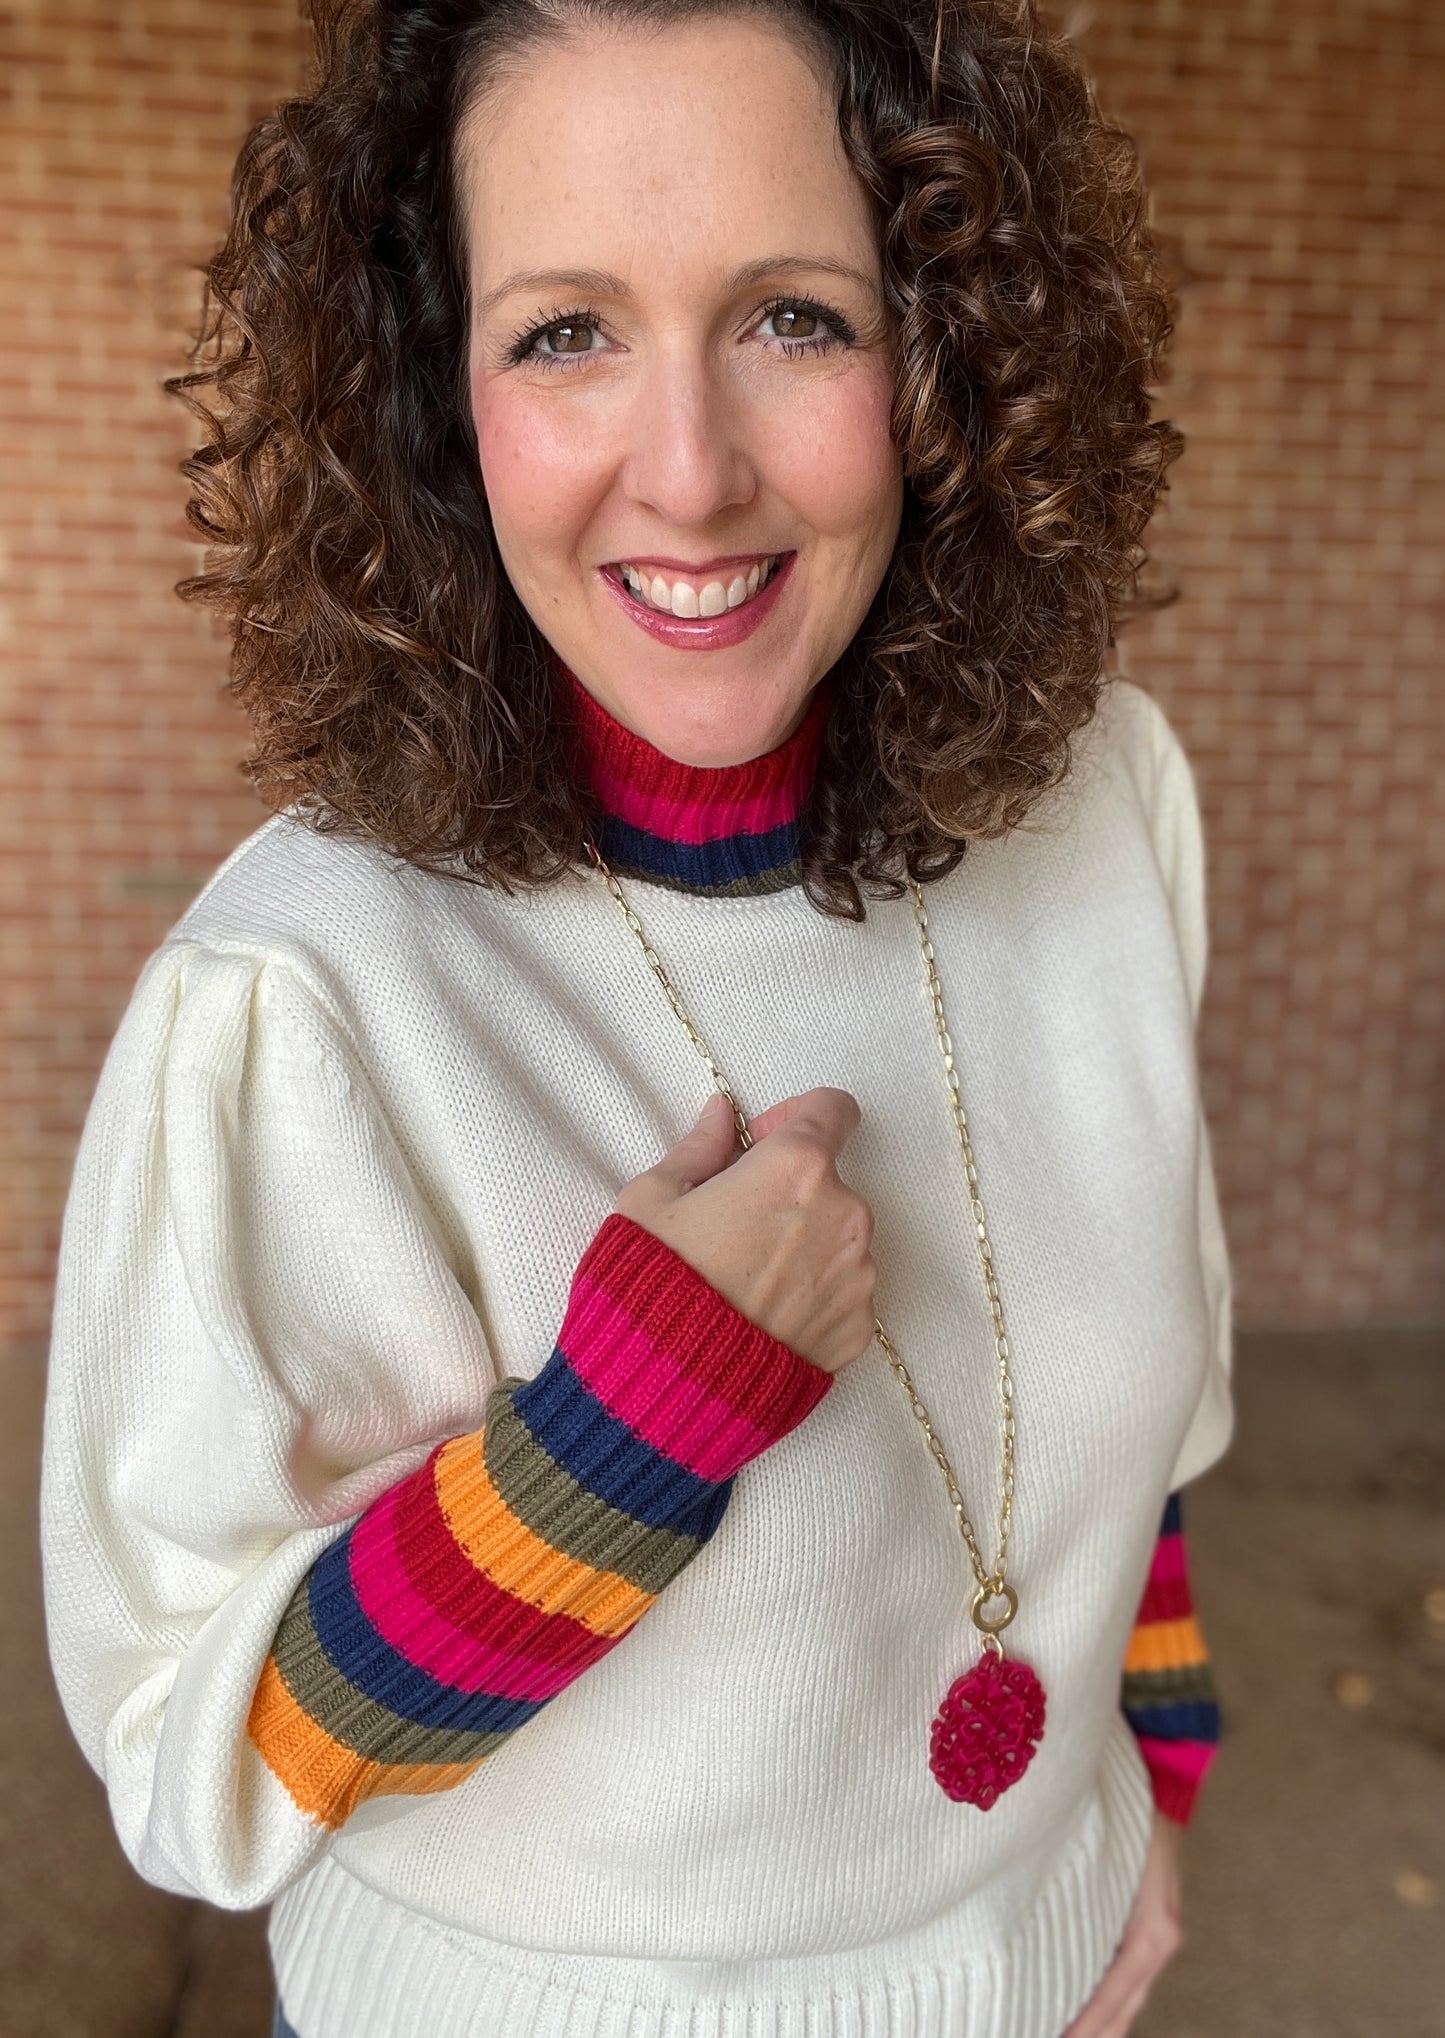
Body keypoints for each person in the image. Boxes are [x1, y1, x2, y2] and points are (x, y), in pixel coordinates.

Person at [39, 1, 1233, 2034]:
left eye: (793, 318)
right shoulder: (303, 998)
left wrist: (1146, 1801)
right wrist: (621, 1435)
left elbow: (1145, 1422)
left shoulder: (1106, 804)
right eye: (564, 331)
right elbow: (196, 1759)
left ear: (942, 353)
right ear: (436, 396)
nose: (688, 473)